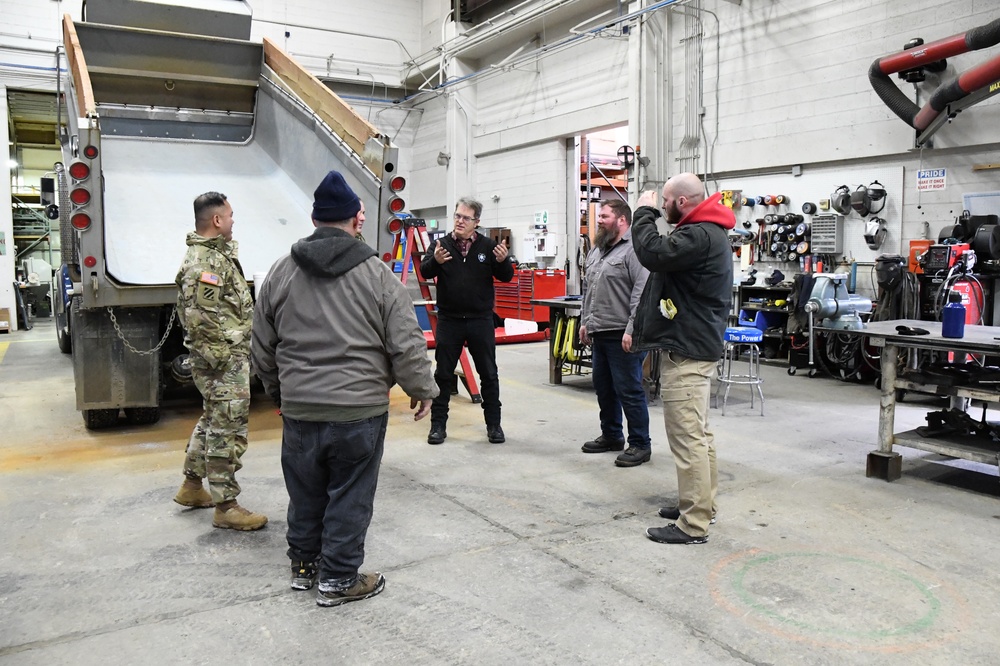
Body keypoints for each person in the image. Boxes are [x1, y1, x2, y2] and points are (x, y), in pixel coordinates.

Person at [251, 170, 437, 607]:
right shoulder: (377, 276)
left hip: (301, 410)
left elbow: (261, 344)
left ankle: (304, 569)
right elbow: (405, 340)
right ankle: (338, 579)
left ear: (315, 219)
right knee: (350, 495)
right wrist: (421, 387)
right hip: (358, 412)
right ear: (357, 219)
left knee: (305, 494)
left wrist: (282, 393)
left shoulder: (281, 272)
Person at [630, 173, 734, 545]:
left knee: (687, 438)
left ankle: (693, 525)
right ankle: (702, 504)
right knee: (700, 435)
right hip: (695, 344)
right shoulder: (706, 232)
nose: (661, 207)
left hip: (688, 350)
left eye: (666, 201)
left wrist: (641, 215)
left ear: (683, 202)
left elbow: (652, 253)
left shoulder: (699, 234)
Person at [173, 192, 268, 531]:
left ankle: (192, 486)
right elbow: (201, 320)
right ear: (216, 220)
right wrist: (225, 362)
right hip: (222, 363)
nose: (232, 221)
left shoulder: (216, 256)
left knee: (213, 419)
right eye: (229, 216)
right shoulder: (205, 264)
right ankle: (226, 506)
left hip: (222, 359)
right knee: (227, 431)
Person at [420, 197, 514, 445]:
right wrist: (436, 261)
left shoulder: (486, 246)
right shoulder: (440, 245)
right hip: (450, 321)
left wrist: (505, 261)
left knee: (489, 375)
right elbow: (425, 271)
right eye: (457, 216)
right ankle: (438, 426)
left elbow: (506, 277)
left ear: (477, 222)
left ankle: (494, 426)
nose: (460, 221)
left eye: (466, 218)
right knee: (442, 374)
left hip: (480, 321)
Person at [579, 199, 652, 466]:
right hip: (600, 331)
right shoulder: (597, 251)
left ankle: (640, 444)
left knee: (629, 390)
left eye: (604, 216)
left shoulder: (635, 251)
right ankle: (611, 435)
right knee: (604, 388)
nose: (599, 220)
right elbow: (589, 290)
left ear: (622, 220)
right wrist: (585, 322)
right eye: (599, 215)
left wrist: (632, 329)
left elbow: (641, 293)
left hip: (624, 333)